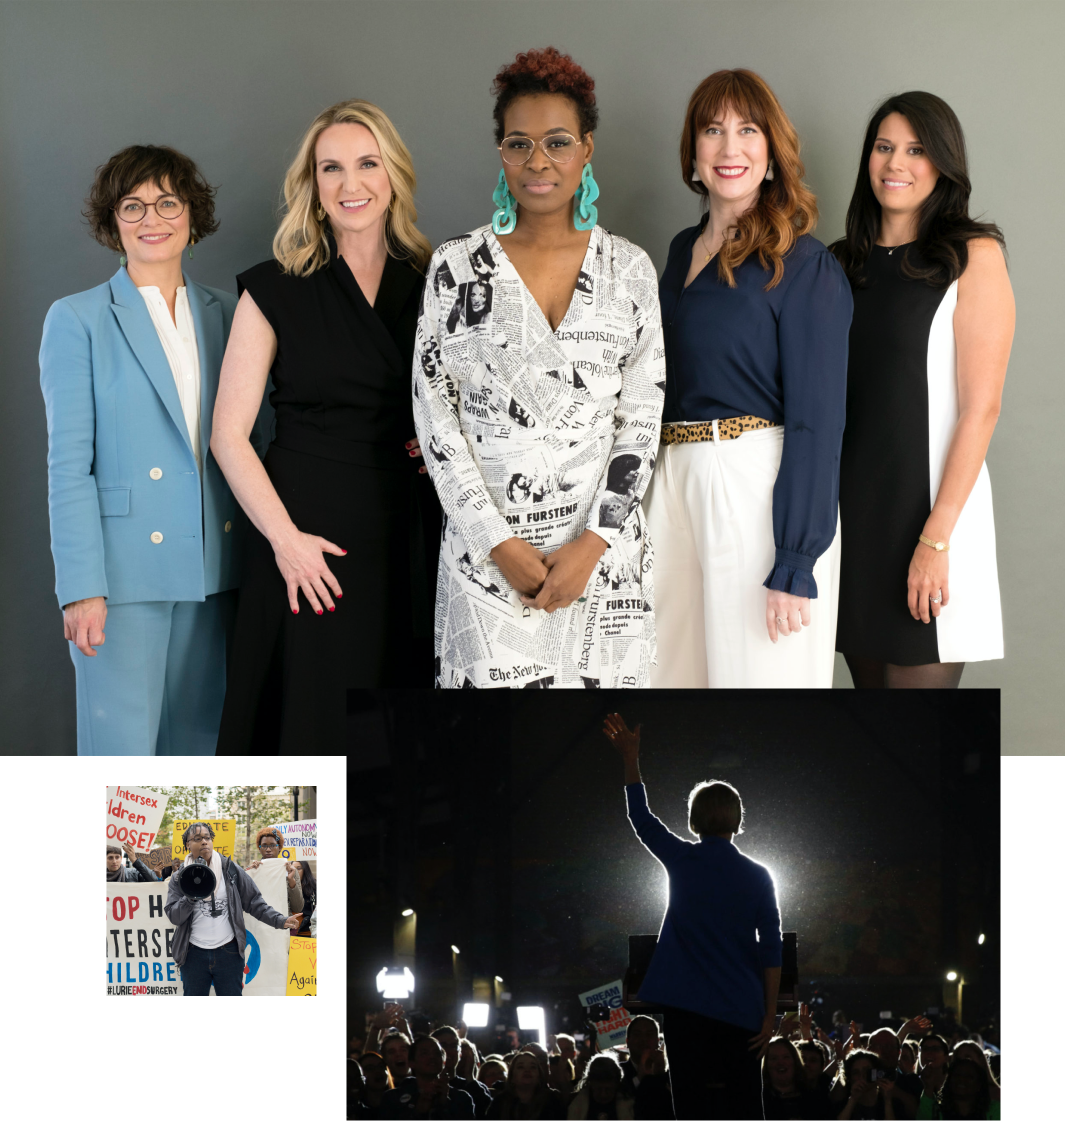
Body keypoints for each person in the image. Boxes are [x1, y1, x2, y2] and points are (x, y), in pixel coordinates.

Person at [413, 46, 664, 688]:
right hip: (487, 562)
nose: (538, 162)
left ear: (586, 149)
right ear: (500, 153)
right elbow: (435, 420)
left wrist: (592, 545)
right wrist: (497, 544)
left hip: (601, 561)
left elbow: (641, 420)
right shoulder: (456, 266)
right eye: (518, 144)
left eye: (556, 142)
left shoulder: (629, 269)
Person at [212, 99, 436, 753]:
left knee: (391, 734)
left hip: (405, 536)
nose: (350, 184)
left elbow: (467, 403)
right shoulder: (273, 288)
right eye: (330, 168)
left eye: (367, 164)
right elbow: (228, 435)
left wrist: (442, 443)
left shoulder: (434, 283)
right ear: (312, 186)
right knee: (301, 723)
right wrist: (285, 542)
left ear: (392, 174)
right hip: (303, 540)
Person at [40, 144, 268, 755]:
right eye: (133, 206)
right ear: (112, 222)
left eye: (168, 202)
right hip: (120, 581)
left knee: (200, 753)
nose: (152, 219)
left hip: (217, 569)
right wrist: (80, 586)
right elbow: (68, 468)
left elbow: (259, 437)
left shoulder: (232, 312)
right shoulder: (77, 318)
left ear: (192, 215)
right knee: (121, 758)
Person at [645, 68, 852, 688]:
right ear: (693, 153)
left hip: (755, 487)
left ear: (771, 155)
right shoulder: (681, 250)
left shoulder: (804, 264)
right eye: (712, 130)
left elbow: (819, 420)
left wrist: (795, 556)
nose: (728, 147)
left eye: (747, 130)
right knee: (667, 680)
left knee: (758, 692)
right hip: (672, 480)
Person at [830, 92, 1013, 687]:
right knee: (870, 727)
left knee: (917, 738)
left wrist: (935, 539)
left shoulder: (971, 256)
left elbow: (981, 408)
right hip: (850, 522)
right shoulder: (837, 265)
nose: (895, 163)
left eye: (916, 150)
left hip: (930, 521)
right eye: (884, 147)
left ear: (943, 164)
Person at [604, 712, 782, 1121]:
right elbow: (771, 950)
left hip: (685, 1009)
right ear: (738, 820)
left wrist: (630, 757)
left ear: (694, 820)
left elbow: (641, 819)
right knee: (744, 1107)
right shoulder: (759, 876)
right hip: (742, 1010)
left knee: (689, 1106)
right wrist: (770, 1015)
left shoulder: (682, 859)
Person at [163, 822, 301, 995]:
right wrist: (191, 893)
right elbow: (174, 916)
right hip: (193, 955)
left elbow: (255, 903)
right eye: (197, 839)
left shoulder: (230, 870)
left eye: (207, 838)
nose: (204, 842)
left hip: (229, 953)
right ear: (188, 845)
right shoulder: (178, 879)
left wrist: (280, 920)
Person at [380, 1035, 475, 1121]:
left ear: (444, 1061)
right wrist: (417, 1112)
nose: (432, 1057)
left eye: (437, 1053)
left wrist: (445, 1105)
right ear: (411, 1062)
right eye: (424, 1053)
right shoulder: (393, 1098)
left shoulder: (461, 1098)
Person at [244, 825, 311, 926]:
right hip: (258, 925)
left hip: (283, 924)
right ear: (259, 848)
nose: (268, 849)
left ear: (279, 847)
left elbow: (297, 908)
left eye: (272, 845)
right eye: (264, 845)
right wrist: (250, 872)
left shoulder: (290, 871)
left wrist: (291, 881)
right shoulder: (253, 870)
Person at [762, 1036, 834, 1121]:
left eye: (786, 1057)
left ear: (796, 1061)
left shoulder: (816, 1099)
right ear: (766, 1064)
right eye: (774, 1058)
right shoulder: (758, 1099)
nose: (780, 1062)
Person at [486, 1050, 567, 1121]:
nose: (527, 1070)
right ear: (512, 1076)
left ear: (539, 1076)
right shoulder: (500, 1102)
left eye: (533, 1067)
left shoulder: (552, 1100)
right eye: (520, 1067)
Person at [836, 1050, 900, 1121]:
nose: (862, 1075)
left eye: (867, 1070)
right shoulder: (843, 1105)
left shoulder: (893, 1105)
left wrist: (887, 1101)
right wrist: (853, 1099)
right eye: (856, 1073)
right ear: (850, 1078)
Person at [568, 1053, 634, 1121]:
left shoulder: (631, 1107)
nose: (603, 1095)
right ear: (591, 1084)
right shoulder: (576, 1105)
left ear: (616, 1084)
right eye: (598, 1089)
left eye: (608, 1089)